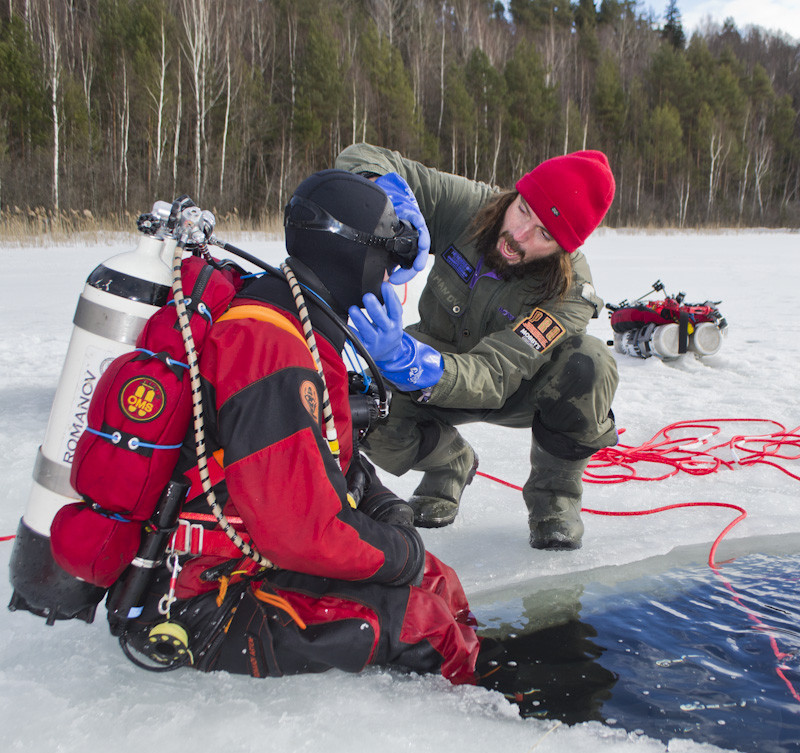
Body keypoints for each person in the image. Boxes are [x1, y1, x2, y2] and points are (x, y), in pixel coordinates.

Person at [120, 169, 479, 684]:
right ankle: (480, 728)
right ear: (354, 256)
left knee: (440, 582)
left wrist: (382, 506)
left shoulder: (295, 317)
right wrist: (402, 552)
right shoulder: (272, 348)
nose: (388, 284)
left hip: (256, 553)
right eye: (385, 265)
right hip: (204, 598)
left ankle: (483, 682)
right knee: (427, 624)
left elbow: (323, 449)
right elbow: (302, 532)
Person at [335, 143, 619, 550]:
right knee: (355, 404)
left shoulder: (571, 291)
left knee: (590, 363)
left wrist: (410, 362)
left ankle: (555, 499)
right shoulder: (471, 206)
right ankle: (450, 463)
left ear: (565, 247)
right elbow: (358, 155)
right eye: (524, 210)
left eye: (543, 234)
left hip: (519, 388)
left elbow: (495, 373)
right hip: (432, 365)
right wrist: (385, 192)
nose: (518, 236)